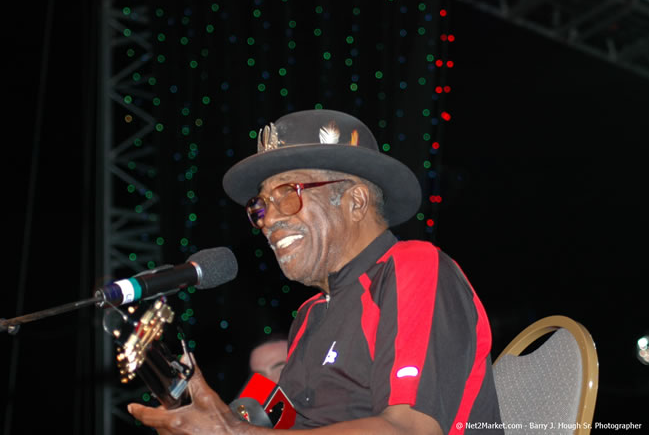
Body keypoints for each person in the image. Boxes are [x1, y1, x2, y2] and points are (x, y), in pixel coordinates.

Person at [128, 109, 503, 434]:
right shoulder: (310, 315)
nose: (268, 220)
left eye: (288, 194)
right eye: (260, 206)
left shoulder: (412, 266)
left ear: (355, 201)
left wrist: (232, 432)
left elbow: (410, 429)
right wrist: (202, 420)